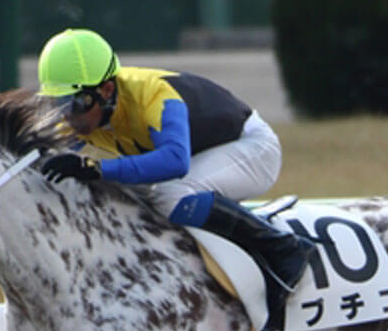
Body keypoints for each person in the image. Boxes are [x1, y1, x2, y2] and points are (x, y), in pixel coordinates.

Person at [35, 28, 314, 302]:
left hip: (253, 150)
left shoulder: (155, 94)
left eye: (74, 104)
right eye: (57, 104)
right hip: (205, 155)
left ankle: (283, 247)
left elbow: (174, 162)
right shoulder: (84, 113)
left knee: (170, 194)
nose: (67, 117)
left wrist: (97, 169)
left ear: (107, 90)